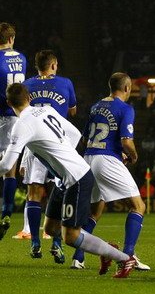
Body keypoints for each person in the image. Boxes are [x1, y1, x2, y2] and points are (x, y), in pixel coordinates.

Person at [0, 83, 137, 278]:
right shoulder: (45, 109)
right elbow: (74, 133)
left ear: (8, 102)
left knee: (70, 236)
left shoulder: (21, 125)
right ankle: (105, 249)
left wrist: (63, 162)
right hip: (64, 178)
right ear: (29, 98)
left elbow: (6, 166)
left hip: (76, 178)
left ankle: (123, 259)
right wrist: (62, 155)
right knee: (50, 228)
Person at [71, 72, 150, 272]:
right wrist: (132, 156)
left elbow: (84, 139)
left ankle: (78, 257)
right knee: (138, 206)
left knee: (96, 210)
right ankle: (128, 255)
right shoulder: (125, 108)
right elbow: (126, 141)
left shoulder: (96, 106)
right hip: (106, 160)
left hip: (88, 159)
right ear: (127, 88)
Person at [18, 50, 77, 262]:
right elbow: (72, 111)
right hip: (58, 143)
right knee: (59, 192)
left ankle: (35, 242)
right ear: (54, 65)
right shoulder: (65, 83)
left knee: (34, 192)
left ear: (36, 66)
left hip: (33, 143)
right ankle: (56, 243)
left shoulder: (25, 86)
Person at [0, 22, 27, 241]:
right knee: (10, 169)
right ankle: (7, 212)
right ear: (11, 38)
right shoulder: (23, 58)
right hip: (17, 117)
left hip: (0, 115)